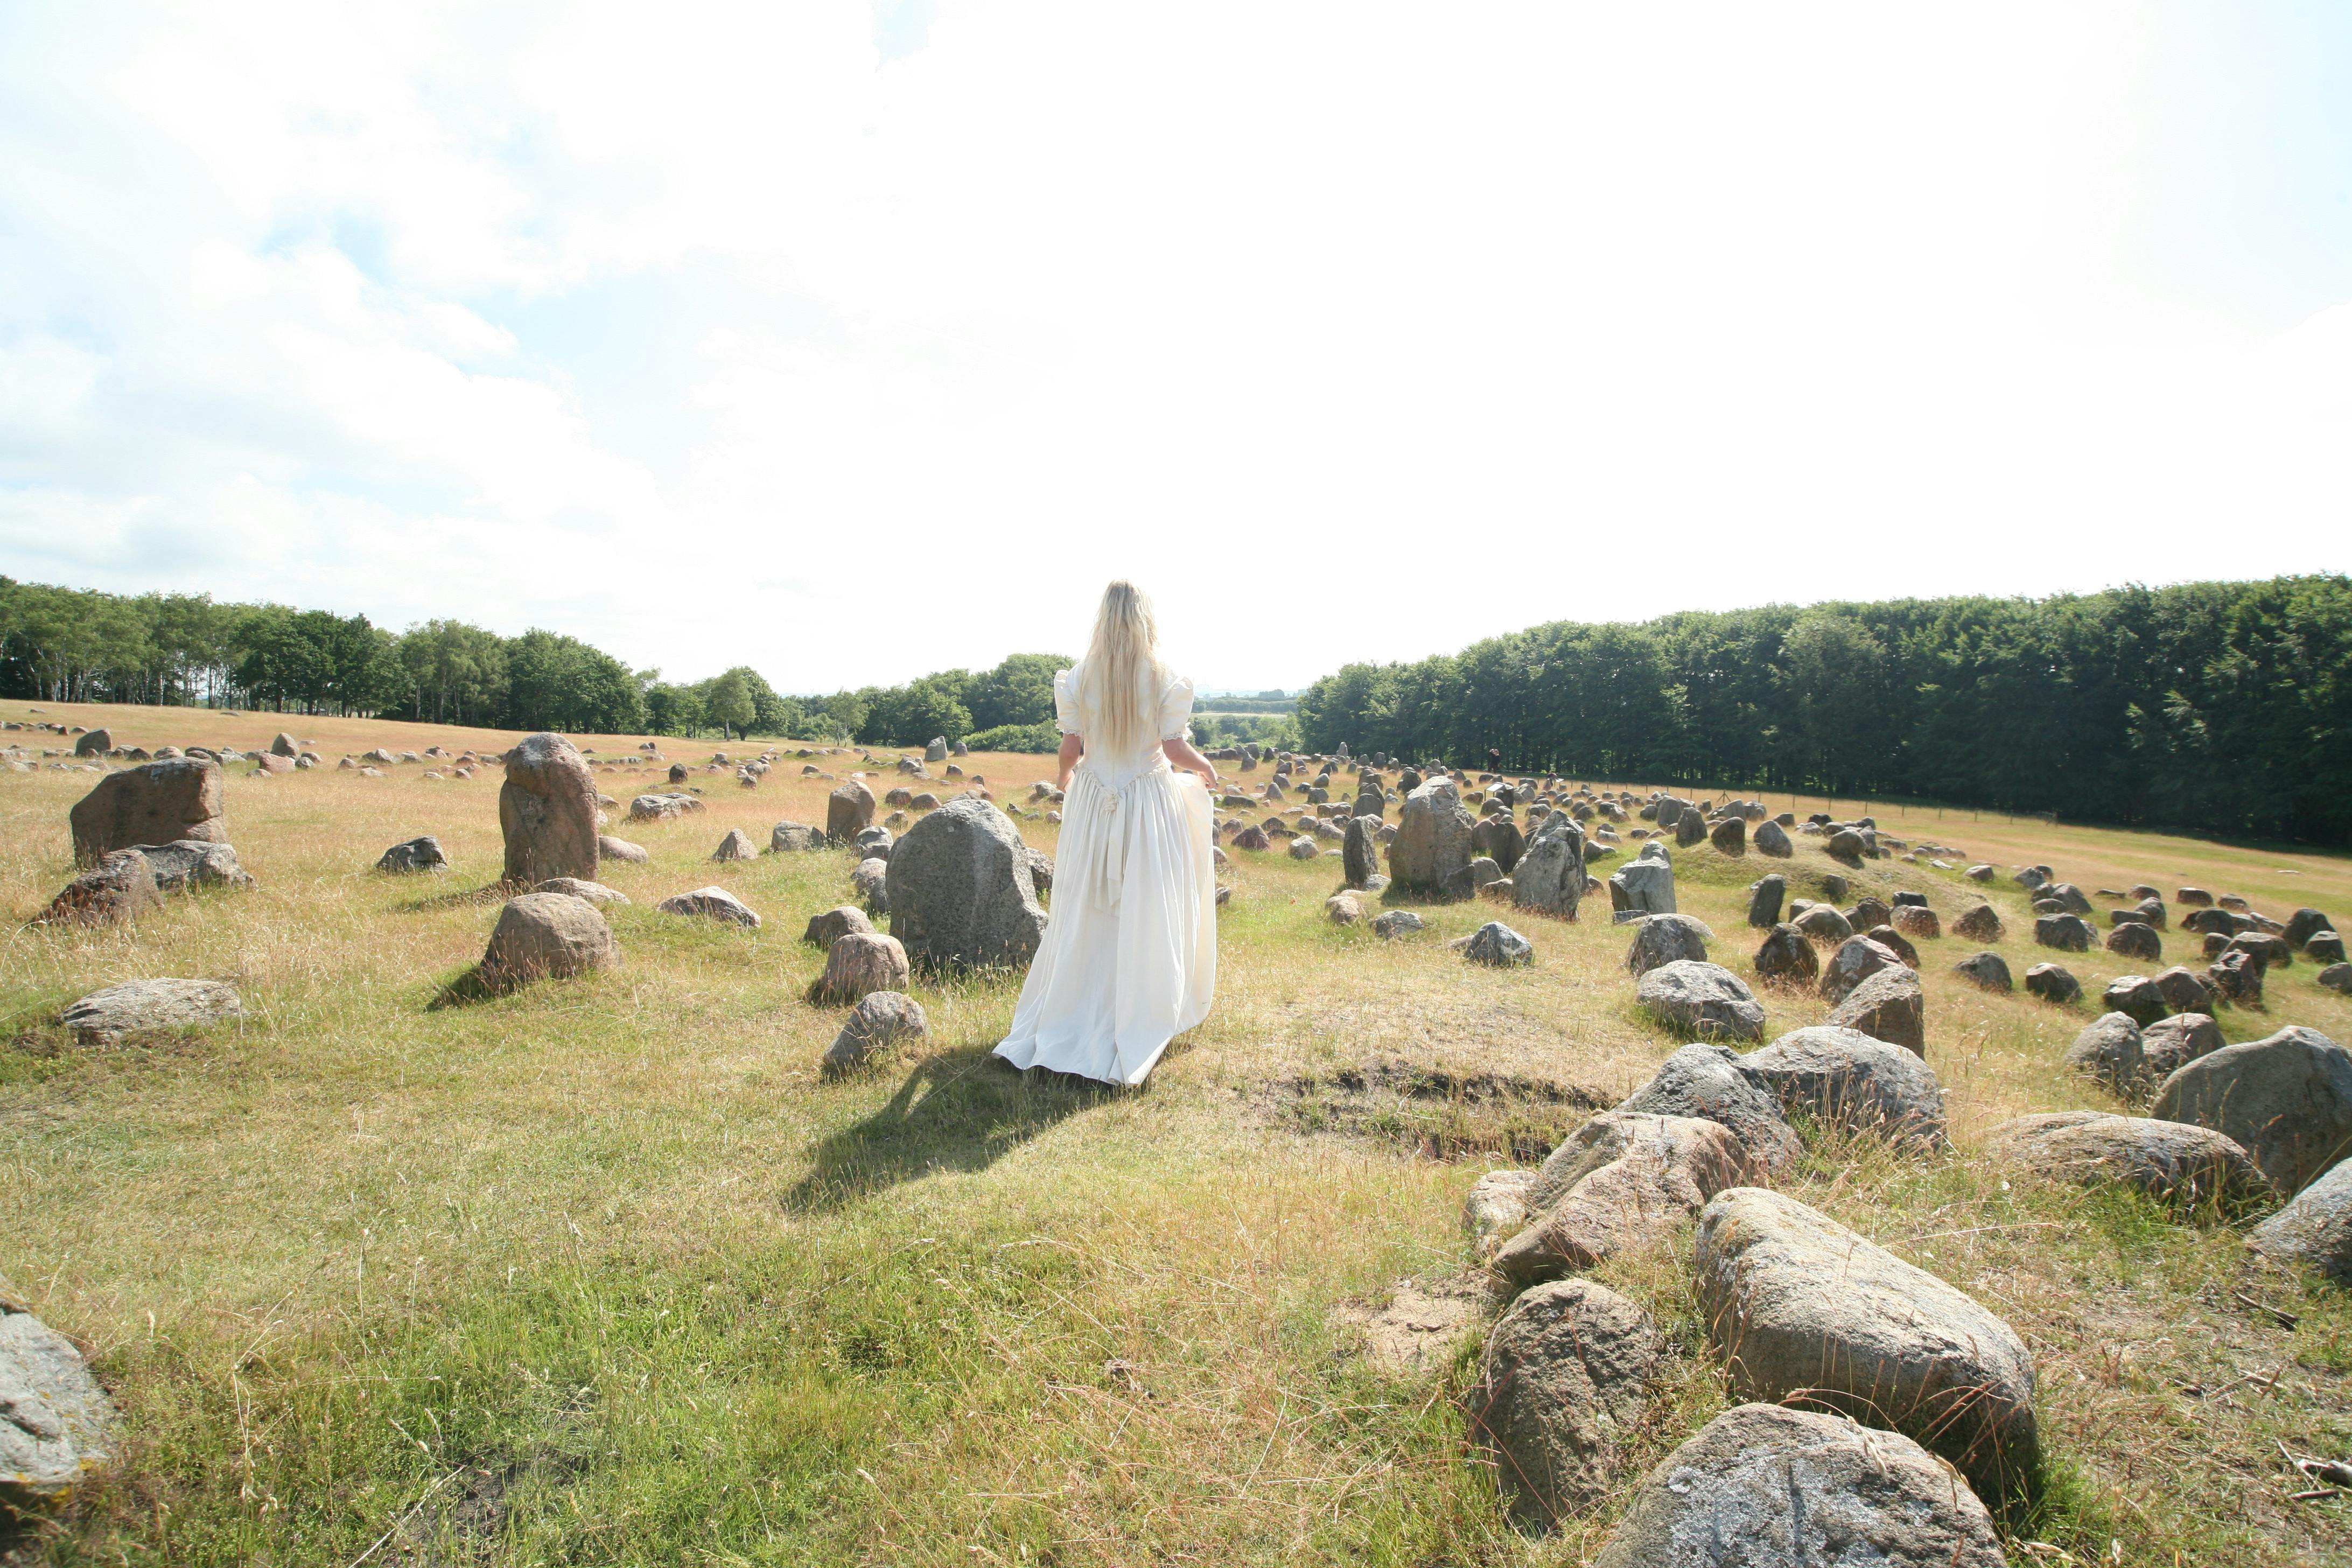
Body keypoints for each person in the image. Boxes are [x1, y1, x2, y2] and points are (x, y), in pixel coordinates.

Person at [993, 581, 1219, 1086]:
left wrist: (1062, 780)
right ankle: (1140, 1009)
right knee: (1147, 901)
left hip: (1094, 801)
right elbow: (1174, 748)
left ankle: (1074, 1009)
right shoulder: (1165, 677)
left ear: (1104, 618)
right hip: (1146, 800)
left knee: (1086, 904)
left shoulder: (1079, 677)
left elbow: (1072, 747)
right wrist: (1207, 769)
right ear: (1144, 619)